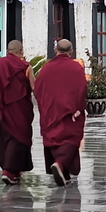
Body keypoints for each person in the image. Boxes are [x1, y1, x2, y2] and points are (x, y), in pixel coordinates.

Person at [33, 38, 87, 187]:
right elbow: (82, 88)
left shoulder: (46, 68)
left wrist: (44, 107)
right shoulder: (76, 68)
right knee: (71, 139)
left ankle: (65, 174)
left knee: (54, 140)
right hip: (69, 112)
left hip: (50, 112)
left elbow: (37, 89)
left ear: (56, 51)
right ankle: (60, 164)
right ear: (71, 52)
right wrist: (78, 107)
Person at [0, 40, 35, 185]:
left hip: (2, 110)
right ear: (22, 51)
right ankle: (8, 170)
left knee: (5, 139)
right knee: (19, 138)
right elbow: (34, 87)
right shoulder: (26, 67)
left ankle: (15, 170)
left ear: (7, 51)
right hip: (21, 110)